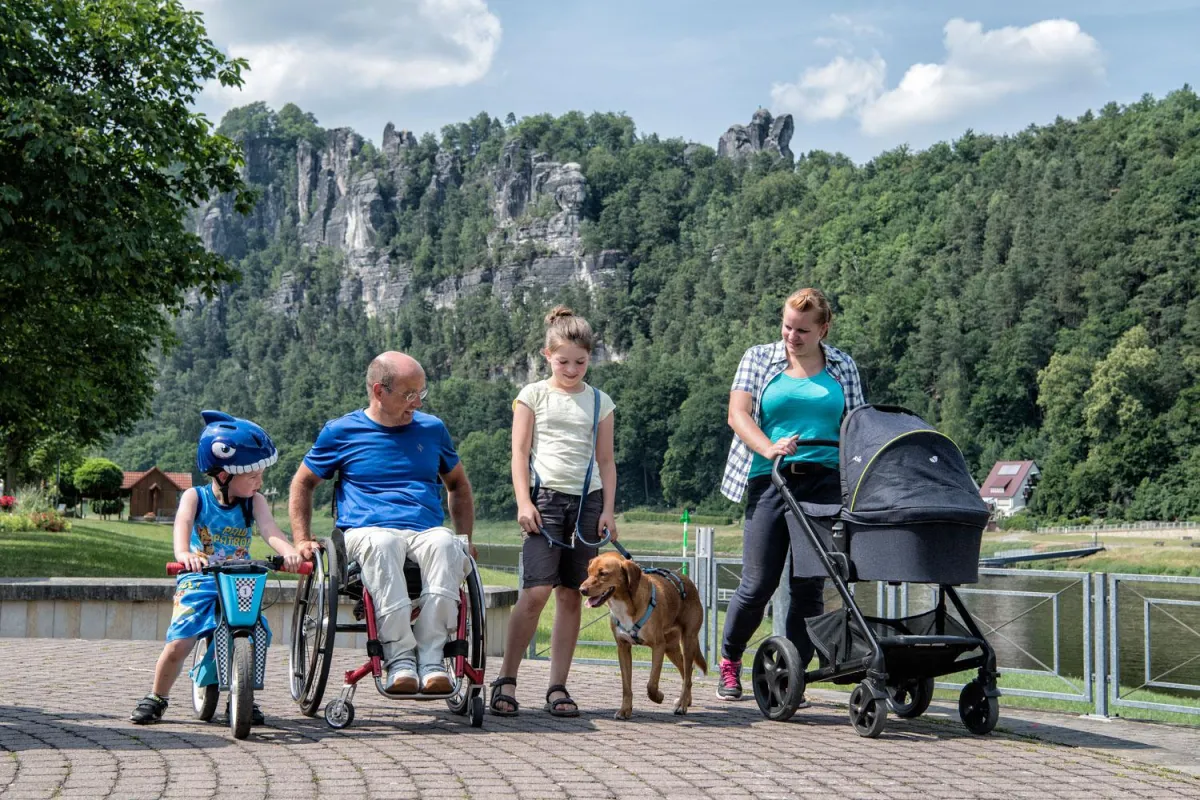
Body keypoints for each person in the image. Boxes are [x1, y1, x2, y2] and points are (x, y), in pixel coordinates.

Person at [289, 352, 477, 695]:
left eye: (421, 392)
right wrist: (301, 538)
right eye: (409, 394)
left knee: (447, 544)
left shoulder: (432, 429)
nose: (418, 402)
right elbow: (303, 483)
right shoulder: (341, 431)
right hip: (366, 531)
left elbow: (458, 485)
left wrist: (465, 536)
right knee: (384, 543)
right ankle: (400, 658)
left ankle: (432, 659)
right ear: (379, 391)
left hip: (424, 531)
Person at [716, 288, 865, 702]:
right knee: (758, 583)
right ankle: (730, 660)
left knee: (808, 585)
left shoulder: (843, 367)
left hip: (825, 483)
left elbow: (857, 424)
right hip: (772, 478)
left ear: (823, 330)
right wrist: (769, 448)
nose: (791, 337)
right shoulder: (758, 358)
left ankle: (790, 675)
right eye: (787, 327)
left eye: (802, 330)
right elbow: (737, 414)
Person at [130, 411, 303, 724]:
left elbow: (270, 530)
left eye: (260, 474)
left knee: (256, 633)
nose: (259, 481)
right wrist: (184, 554)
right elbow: (182, 524)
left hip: (239, 581)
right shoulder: (195, 497)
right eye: (252, 475)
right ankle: (157, 696)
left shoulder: (255, 501)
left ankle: (242, 696)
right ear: (224, 475)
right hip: (199, 579)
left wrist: (289, 553)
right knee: (180, 642)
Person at [490, 306, 617, 717]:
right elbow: (519, 452)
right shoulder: (532, 395)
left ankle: (557, 687)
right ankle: (506, 679)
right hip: (544, 500)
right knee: (535, 593)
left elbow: (606, 461)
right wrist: (523, 502)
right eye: (564, 361)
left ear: (590, 358)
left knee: (572, 594)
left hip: (587, 503)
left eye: (581, 362)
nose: (572, 369)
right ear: (548, 356)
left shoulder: (600, 402)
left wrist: (608, 511)